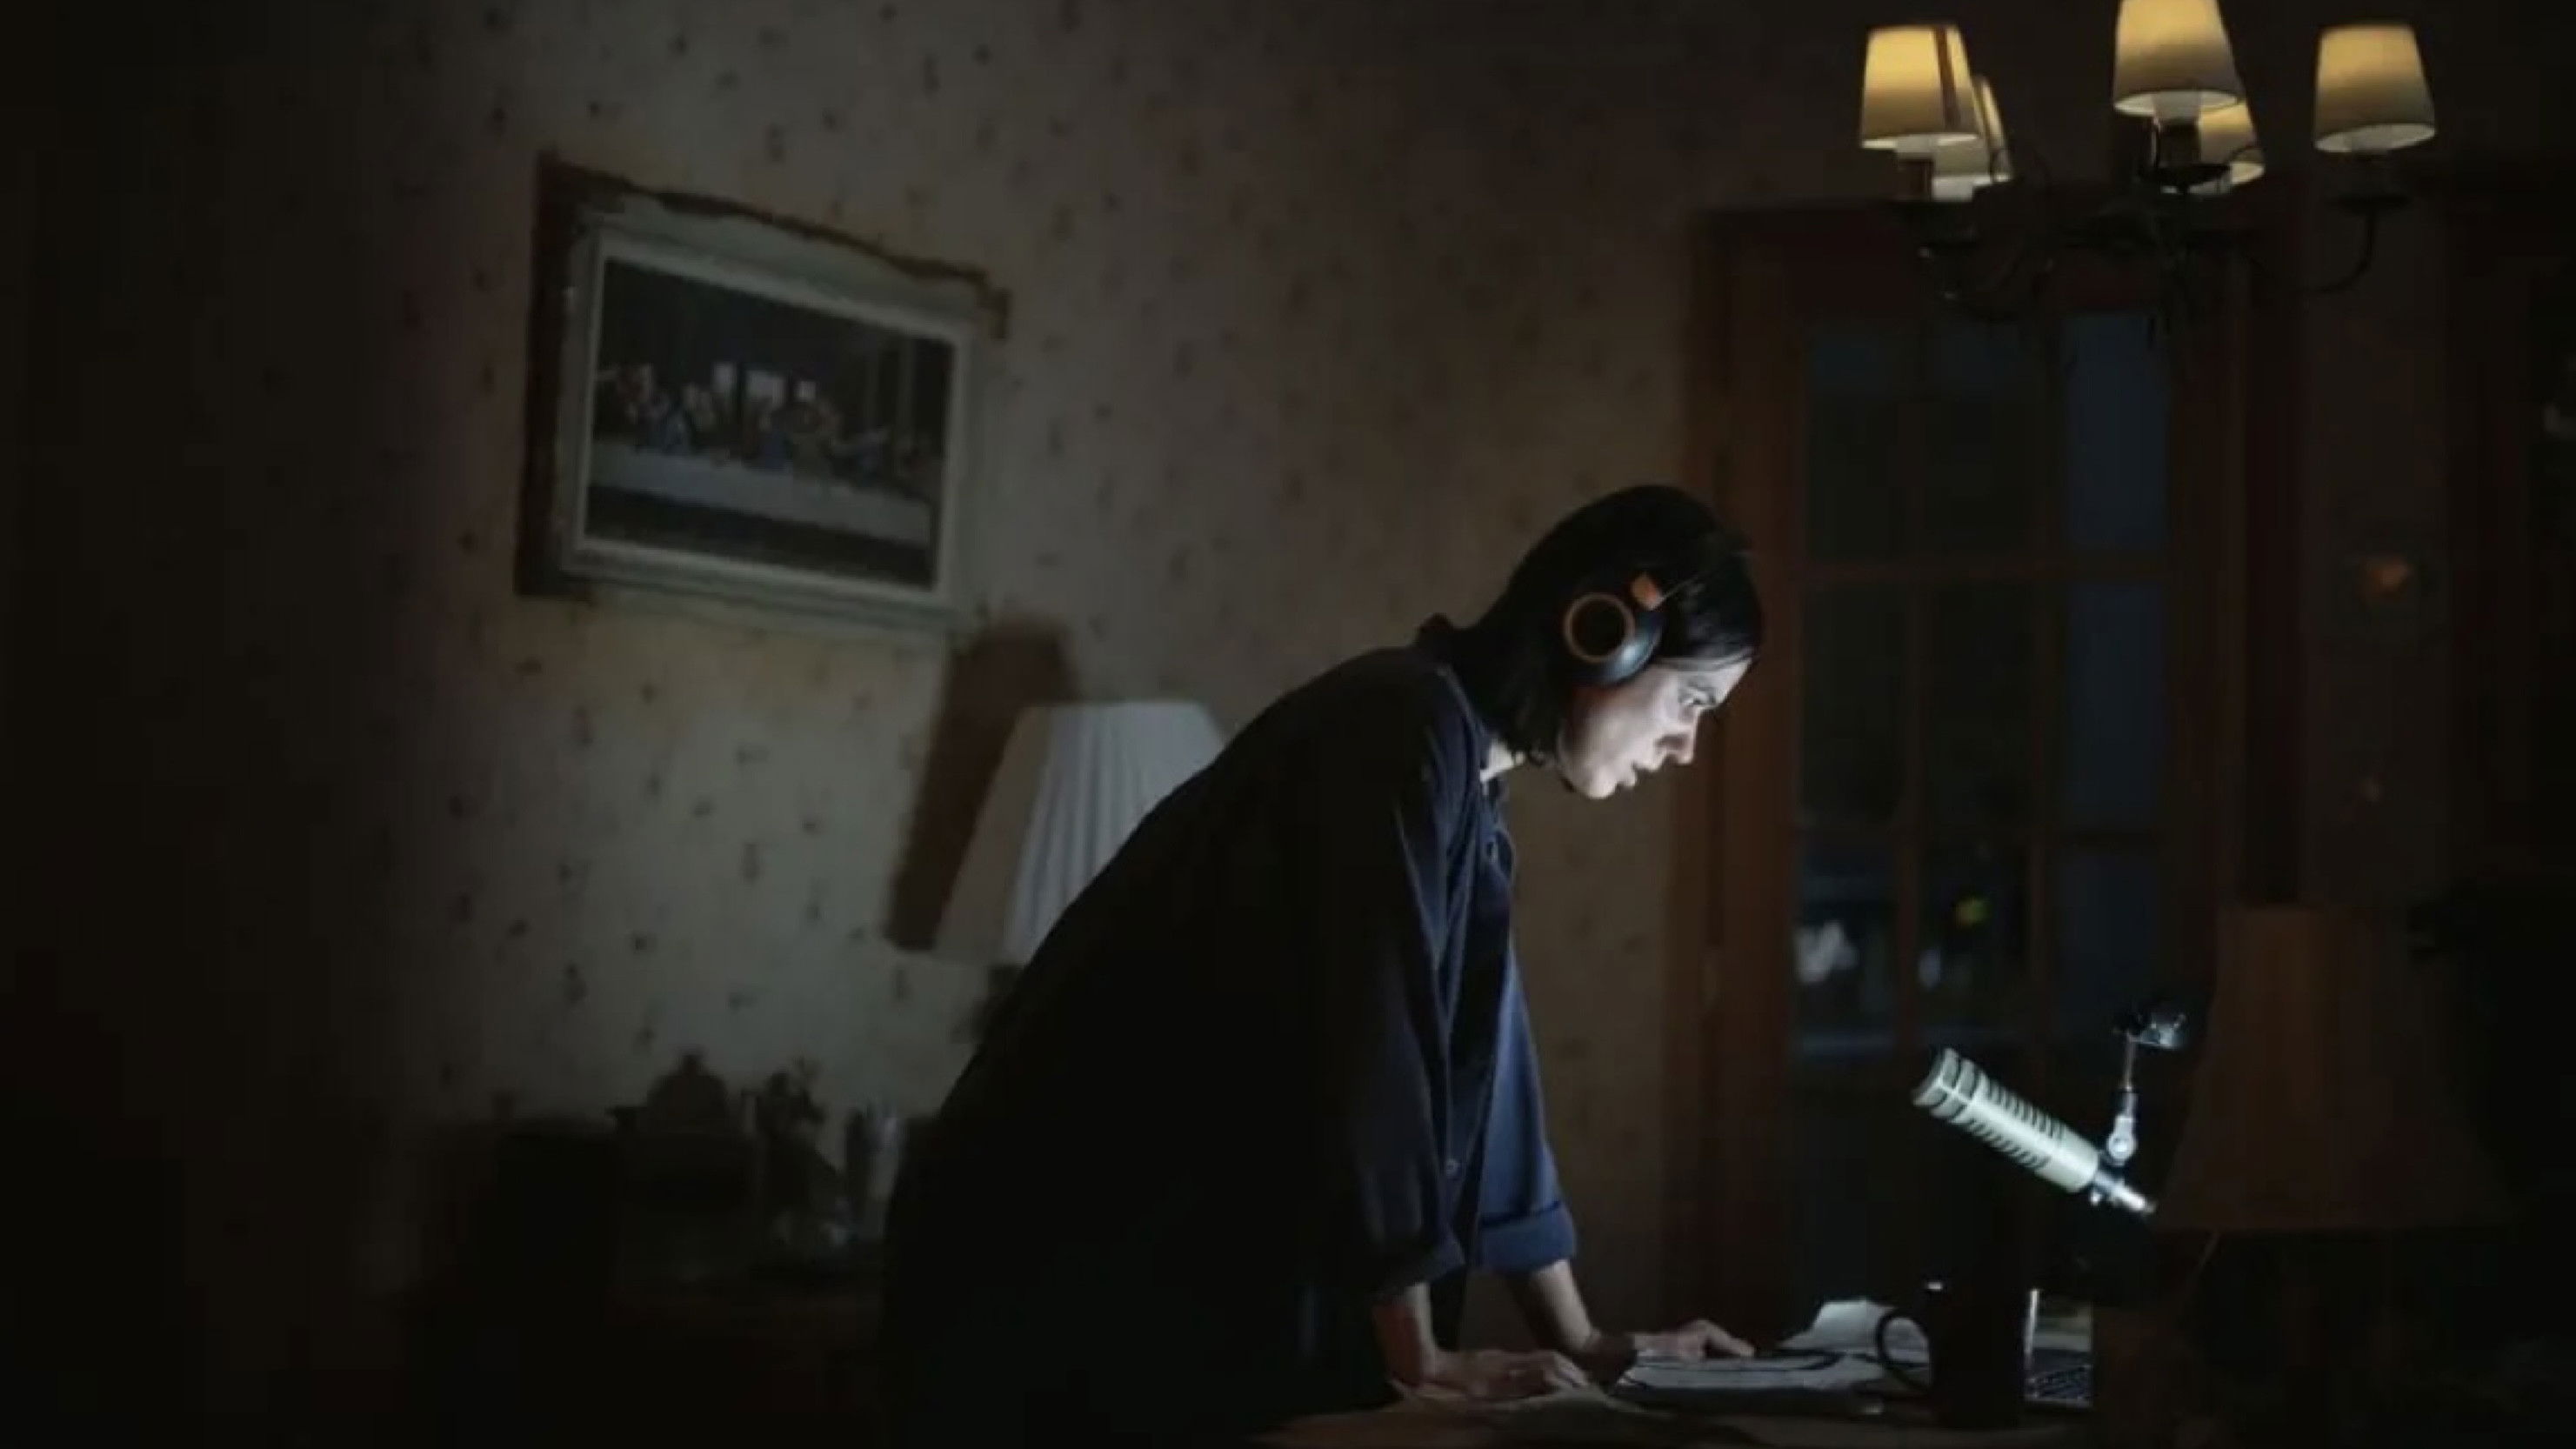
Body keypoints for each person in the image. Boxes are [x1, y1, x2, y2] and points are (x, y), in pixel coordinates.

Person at [882, 484, 1766, 1444]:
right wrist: (1420, 1359)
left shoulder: (1462, 776)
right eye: (1691, 701)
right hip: (1048, 1269)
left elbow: (1490, 1078)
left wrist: (1583, 1339)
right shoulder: (1397, 729)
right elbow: (1376, 1048)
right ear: (1603, 636)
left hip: (1135, 1266)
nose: (1686, 745)